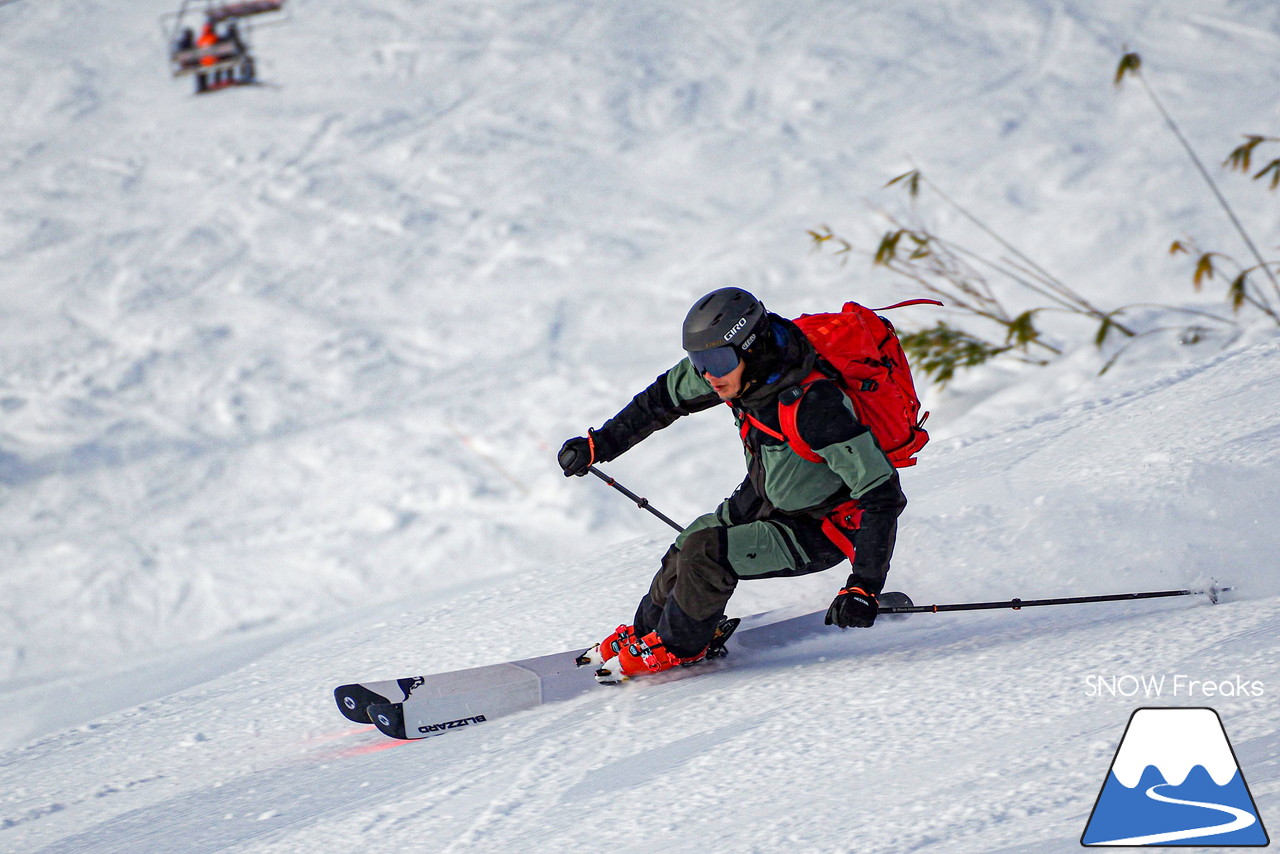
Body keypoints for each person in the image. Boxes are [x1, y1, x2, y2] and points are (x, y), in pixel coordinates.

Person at [559, 287, 908, 681]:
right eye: (699, 361)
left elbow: (882, 493)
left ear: (752, 349)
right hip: (766, 494)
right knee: (689, 542)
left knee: (706, 553)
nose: (708, 374)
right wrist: (600, 444)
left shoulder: (816, 406)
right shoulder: (731, 372)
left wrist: (863, 586)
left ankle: (681, 645)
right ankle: (646, 634)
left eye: (718, 360)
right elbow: (661, 399)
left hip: (821, 527)